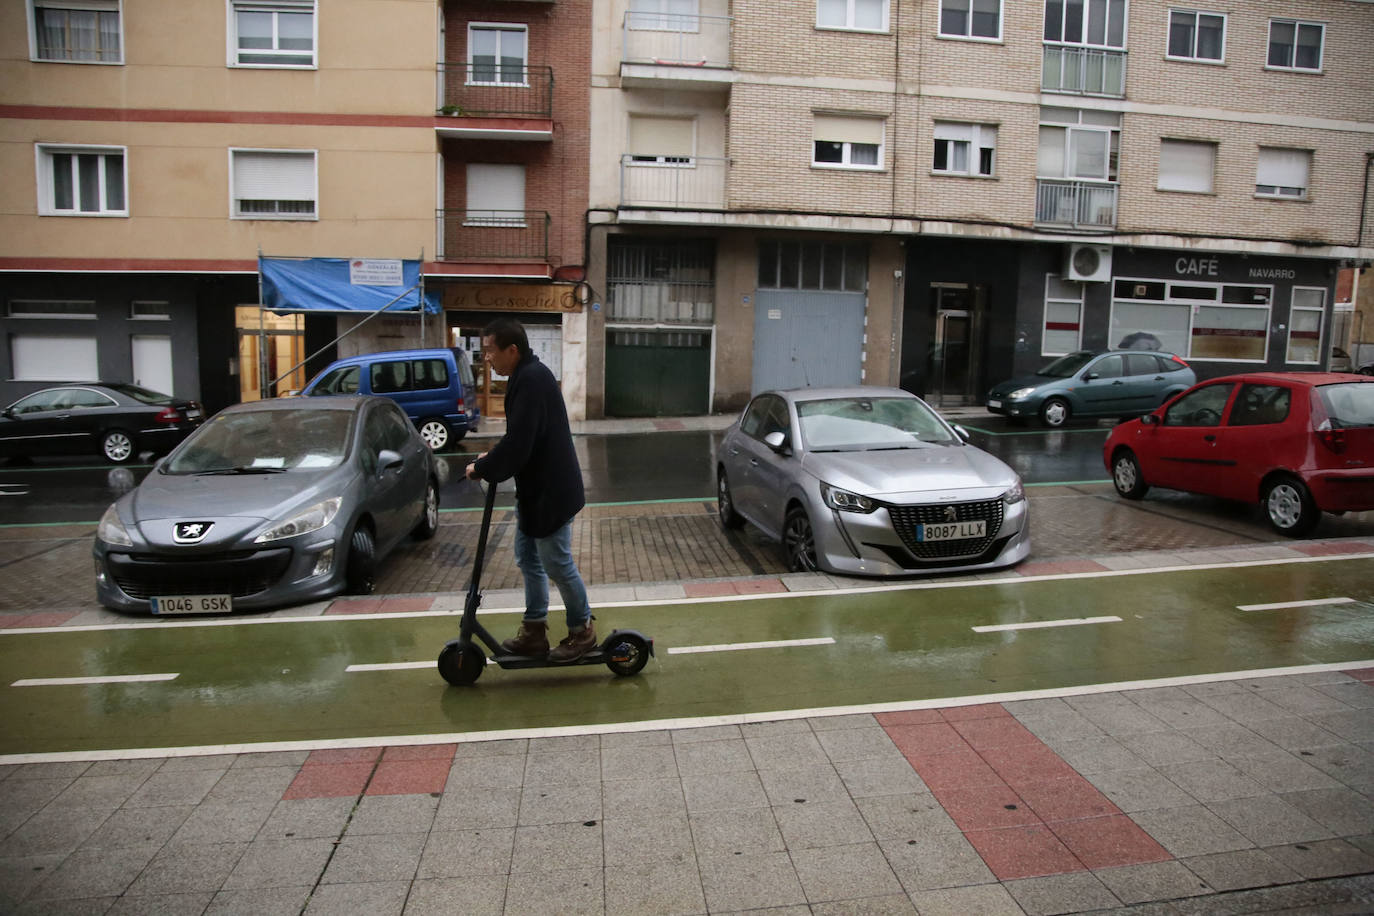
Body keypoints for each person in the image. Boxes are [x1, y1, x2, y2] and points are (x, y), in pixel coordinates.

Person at [465, 317, 595, 662]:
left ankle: (582, 631)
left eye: (490, 351)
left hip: (552, 491)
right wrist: (491, 458)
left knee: (555, 561)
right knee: (528, 557)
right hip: (537, 489)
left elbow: (521, 441)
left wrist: (483, 468)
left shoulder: (532, 380)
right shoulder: (524, 377)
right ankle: (534, 630)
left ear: (512, 350)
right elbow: (523, 437)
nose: (487, 358)